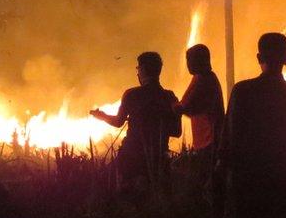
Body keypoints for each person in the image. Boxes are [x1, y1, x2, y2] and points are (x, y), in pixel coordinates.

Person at [219, 32, 286, 218]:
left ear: (258, 57)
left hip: (246, 175)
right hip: (279, 174)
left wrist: (221, 172)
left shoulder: (242, 91)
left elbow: (229, 136)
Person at [91, 51, 181, 191]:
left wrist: (101, 116)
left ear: (143, 69)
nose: (137, 72)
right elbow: (177, 131)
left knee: (105, 186)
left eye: (138, 68)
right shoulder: (169, 97)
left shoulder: (132, 94)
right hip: (158, 158)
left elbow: (118, 122)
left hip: (131, 156)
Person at [174, 44, 225, 156]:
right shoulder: (204, 77)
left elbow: (185, 106)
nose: (187, 64)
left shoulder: (203, 79)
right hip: (205, 140)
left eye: (189, 59)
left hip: (209, 140)